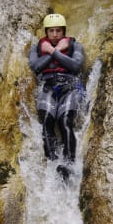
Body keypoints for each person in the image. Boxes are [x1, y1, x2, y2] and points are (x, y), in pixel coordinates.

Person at [28, 13, 85, 174]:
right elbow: (36, 67)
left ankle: (69, 164)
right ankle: (53, 163)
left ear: (64, 31)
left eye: (58, 31)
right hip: (48, 87)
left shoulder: (75, 46)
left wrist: (53, 51)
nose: (54, 35)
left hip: (70, 87)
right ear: (46, 32)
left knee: (65, 121)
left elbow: (75, 66)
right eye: (51, 31)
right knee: (46, 121)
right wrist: (55, 51)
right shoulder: (37, 48)